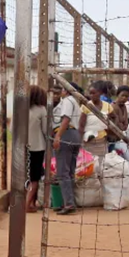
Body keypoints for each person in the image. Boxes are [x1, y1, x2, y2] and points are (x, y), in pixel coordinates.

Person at [53, 83, 83, 216]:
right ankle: (70, 201)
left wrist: (58, 136)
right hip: (74, 135)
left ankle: (69, 203)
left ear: (66, 90)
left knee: (62, 172)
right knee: (70, 172)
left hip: (66, 134)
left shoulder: (67, 101)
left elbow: (66, 119)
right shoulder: (75, 102)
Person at [27, 85, 48, 213]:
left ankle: (28, 203)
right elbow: (46, 130)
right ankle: (26, 204)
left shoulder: (20, 109)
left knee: (24, 176)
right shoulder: (41, 110)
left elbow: (12, 128)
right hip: (37, 147)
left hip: (21, 147)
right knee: (35, 177)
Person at [79, 80, 114, 157]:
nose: (91, 95)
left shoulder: (107, 106)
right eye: (90, 93)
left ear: (100, 93)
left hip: (102, 140)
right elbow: (81, 125)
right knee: (89, 164)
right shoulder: (86, 106)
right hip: (88, 140)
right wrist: (80, 141)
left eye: (94, 93)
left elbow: (114, 117)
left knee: (101, 163)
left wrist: (110, 129)